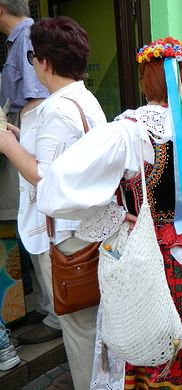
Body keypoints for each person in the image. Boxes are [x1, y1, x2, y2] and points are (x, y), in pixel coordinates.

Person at [38, 37, 182, 389]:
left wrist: (115, 213)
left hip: (155, 261)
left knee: (153, 341)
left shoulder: (132, 130)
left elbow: (55, 188)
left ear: (146, 81)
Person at [0, 16, 106, 390]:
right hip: (85, 228)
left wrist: (9, 146)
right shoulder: (82, 98)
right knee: (89, 325)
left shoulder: (58, 109)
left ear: (44, 62)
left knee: (80, 332)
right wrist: (19, 134)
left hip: (65, 238)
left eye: (33, 57)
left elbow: (47, 175)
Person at [0, 0, 61, 344]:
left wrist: (18, 143)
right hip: (23, 140)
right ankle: (48, 305)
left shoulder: (26, 37)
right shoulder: (20, 39)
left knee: (39, 227)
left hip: (27, 146)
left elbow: (36, 100)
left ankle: (56, 315)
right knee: (32, 225)